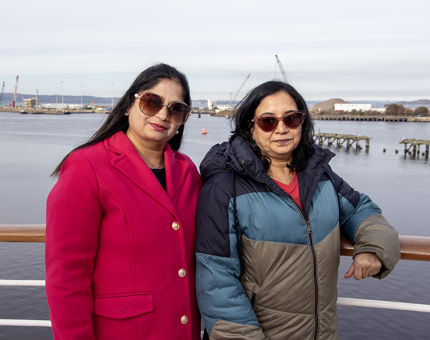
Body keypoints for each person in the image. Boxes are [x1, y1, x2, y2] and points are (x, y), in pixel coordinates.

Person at [195, 80, 400, 340]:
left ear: (303, 122)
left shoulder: (319, 174)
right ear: (251, 126)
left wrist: (373, 247)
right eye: (268, 121)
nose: (281, 129)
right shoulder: (225, 188)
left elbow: (360, 208)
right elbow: (216, 281)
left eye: (291, 119)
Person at [45, 63, 201, 340]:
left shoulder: (188, 171)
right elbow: (66, 280)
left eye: (176, 109)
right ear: (130, 105)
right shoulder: (86, 167)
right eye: (153, 102)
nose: (163, 115)